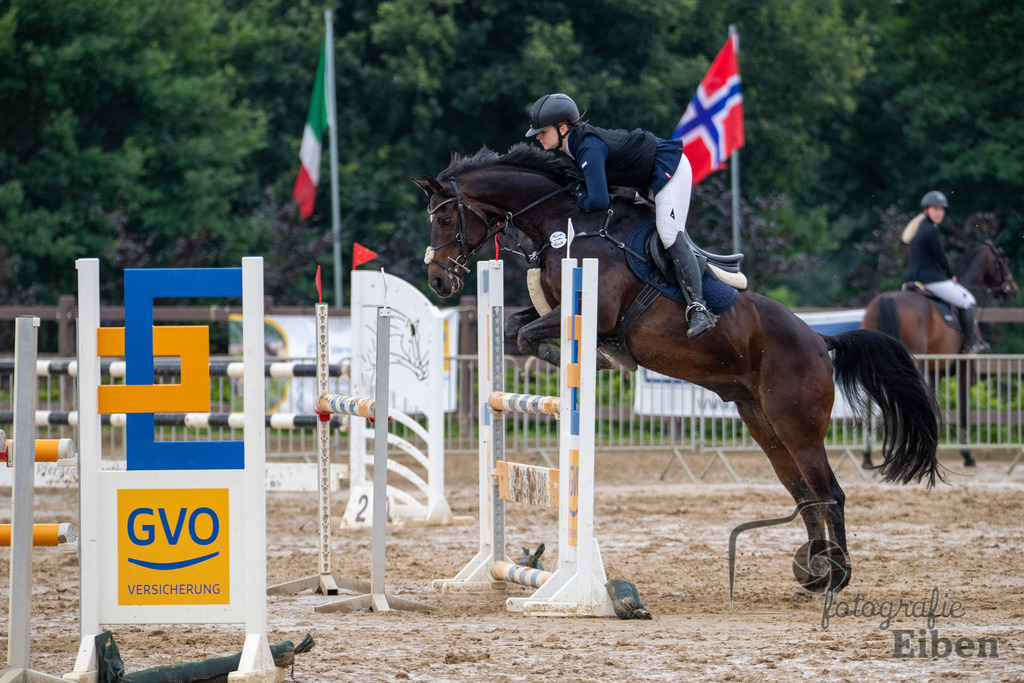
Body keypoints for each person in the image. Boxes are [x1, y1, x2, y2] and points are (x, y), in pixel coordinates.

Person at [524, 93, 715, 338]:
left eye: (542, 131)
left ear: (563, 128)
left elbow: (598, 201)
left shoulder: (587, 148)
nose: (538, 136)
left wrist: (579, 195)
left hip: (668, 168)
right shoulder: (575, 147)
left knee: (668, 232)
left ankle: (699, 308)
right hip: (643, 179)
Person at [901, 190, 986, 352]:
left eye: (941, 210)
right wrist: (950, 275)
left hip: (908, 280)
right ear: (926, 210)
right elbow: (940, 258)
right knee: (968, 301)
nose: (939, 213)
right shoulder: (931, 230)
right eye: (935, 209)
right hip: (930, 280)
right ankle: (969, 345)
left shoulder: (918, 229)